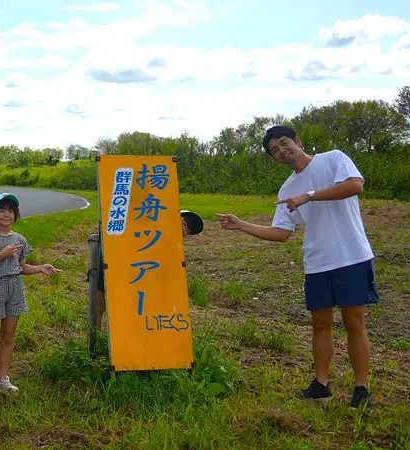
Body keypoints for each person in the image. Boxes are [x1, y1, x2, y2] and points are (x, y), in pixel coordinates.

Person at [215, 125, 378, 410]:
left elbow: (355, 185)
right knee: (320, 326)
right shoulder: (287, 188)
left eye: (284, 143)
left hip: (351, 256)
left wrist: (310, 195)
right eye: (274, 151)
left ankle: (361, 388)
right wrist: (241, 225)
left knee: (354, 324)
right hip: (316, 262)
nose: (281, 151)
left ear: (298, 141)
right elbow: (281, 233)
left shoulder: (333, 159)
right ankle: (321, 385)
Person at [0, 192, 61, 405]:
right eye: (2, 210)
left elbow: (21, 268)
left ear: (16, 215)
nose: (6, 215)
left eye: (10, 211)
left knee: (8, 337)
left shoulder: (20, 239)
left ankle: (2, 378)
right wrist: (2, 254)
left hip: (15, 289)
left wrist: (40, 268)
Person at [93, 210, 203, 330]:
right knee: (100, 304)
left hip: (139, 279)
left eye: (187, 231)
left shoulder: (173, 246)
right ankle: (96, 338)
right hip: (116, 262)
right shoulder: (148, 219)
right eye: (184, 223)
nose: (183, 230)